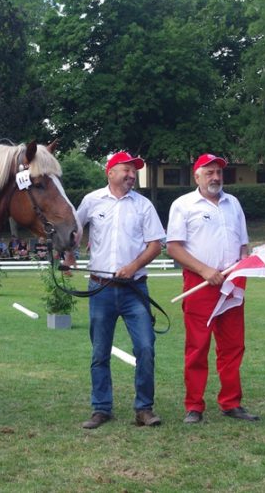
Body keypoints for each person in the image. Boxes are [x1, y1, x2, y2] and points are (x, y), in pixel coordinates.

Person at [65, 151, 166, 429]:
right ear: (110, 172)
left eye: (134, 171)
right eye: (127, 170)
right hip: (101, 288)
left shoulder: (143, 205)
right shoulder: (91, 200)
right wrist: (69, 252)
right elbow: (73, 229)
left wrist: (133, 266)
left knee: (145, 347)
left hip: (135, 289)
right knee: (100, 352)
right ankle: (101, 408)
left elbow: (156, 244)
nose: (132, 175)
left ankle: (144, 409)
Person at [166, 153, 257, 424]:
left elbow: (243, 244)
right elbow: (173, 246)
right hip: (199, 284)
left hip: (231, 283)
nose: (215, 177)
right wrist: (205, 270)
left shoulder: (234, 204)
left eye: (218, 172)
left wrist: (243, 265)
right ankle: (194, 406)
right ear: (197, 176)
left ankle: (231, 402)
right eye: (209, 172)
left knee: (233, 346)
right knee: (197, 346)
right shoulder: (183, 205)